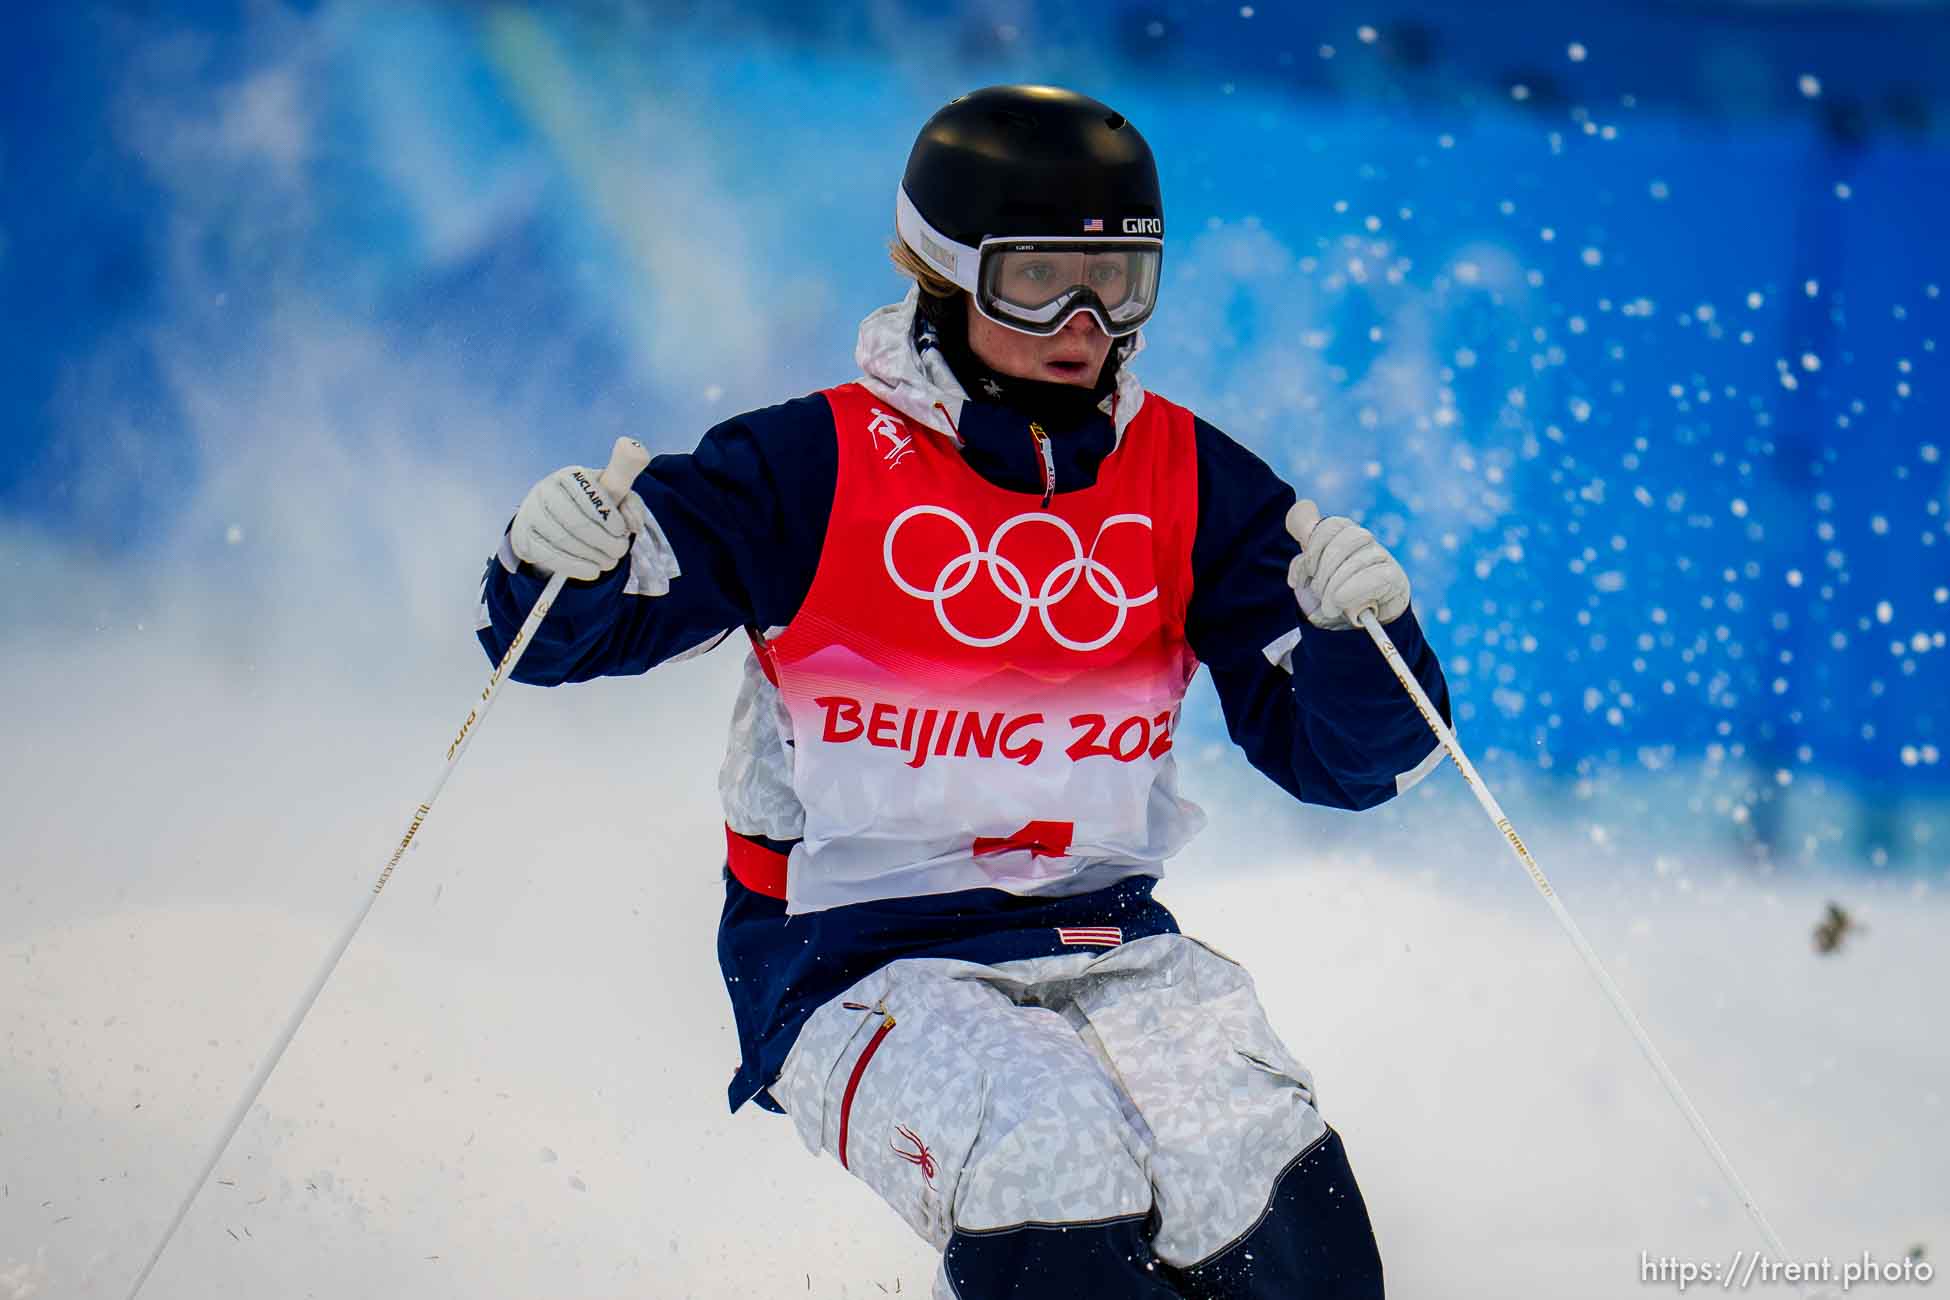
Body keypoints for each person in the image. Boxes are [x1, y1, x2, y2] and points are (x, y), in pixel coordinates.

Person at [478, 84, 1449, 1299]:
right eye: (1039, 279)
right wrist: (560, 560)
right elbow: (576, 630)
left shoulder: (1187, 478)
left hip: (1106, 939)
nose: (1086, 321)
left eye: (1123, 284)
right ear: (947, 273)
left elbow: (1346, 761)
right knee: (1052, 1151)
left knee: (1260, 1173)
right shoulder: (812, 463)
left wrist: (1364, 638)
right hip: (851, 957)